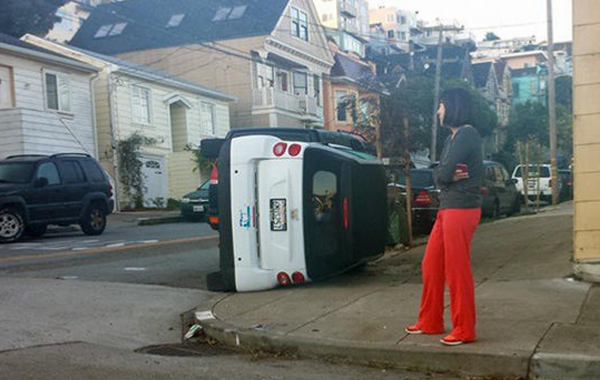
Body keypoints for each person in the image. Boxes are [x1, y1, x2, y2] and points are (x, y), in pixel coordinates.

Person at [405, 88, 483, 346]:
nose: (438, 111)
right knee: (431, 264)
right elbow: (440, 173)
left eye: (441, 106)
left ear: (453, 107)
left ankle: (464, 329)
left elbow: (442, 172)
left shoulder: (466, 134)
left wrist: (444, 175)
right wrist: (444, 175)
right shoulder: (452, 138)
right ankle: (430, 321)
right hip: (448, 207)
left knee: (456, 269)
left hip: (461, 209)